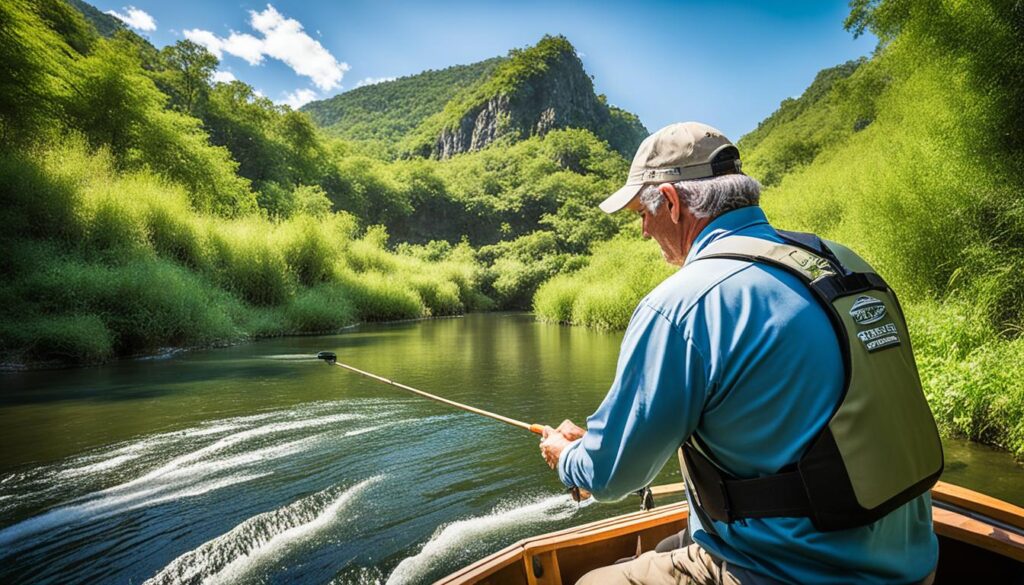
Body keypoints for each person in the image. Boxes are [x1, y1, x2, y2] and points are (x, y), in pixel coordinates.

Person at [538, 122, 941, 585]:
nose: (644, 231)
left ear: (670, 201)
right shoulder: (846, 262)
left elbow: (611, 475)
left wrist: (567, 455)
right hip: (914, 564)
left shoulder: (682, 304)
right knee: (674, 545)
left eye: (641, 214)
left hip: (796, 574)